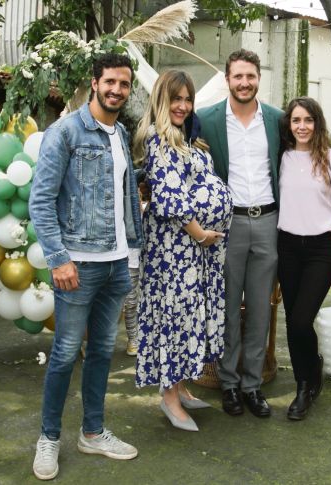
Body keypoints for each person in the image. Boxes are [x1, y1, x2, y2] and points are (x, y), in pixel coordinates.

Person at [28, 53, 142, 480]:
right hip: (78, 264)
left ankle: (92, 432)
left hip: (115, 264)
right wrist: (58, 259)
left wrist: (131, 251)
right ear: (94, 83)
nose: (116, 90)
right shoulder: (65, 132)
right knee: (63, 355)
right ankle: (49, 439)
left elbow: (124, 199)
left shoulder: (120, 132)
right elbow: (40, 202)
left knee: (100, 352)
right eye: (110, 81)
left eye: (124, 84)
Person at [133, 70, 232, 432]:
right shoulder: (159, 142)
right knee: (173, 318)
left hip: (196, 250)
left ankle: (180, 386)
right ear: (162, 99)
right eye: (176, 98)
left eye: (188, 99)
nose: (183, 105)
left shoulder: (190, 139)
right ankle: (169, 397)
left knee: (190, 316)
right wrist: (199, 232)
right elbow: (170, 197)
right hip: (175, 250)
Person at [197, 49, 283, 418]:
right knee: (228, 307)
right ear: (227, 80)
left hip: (267, 221)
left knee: (261, 308)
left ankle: (253, 385)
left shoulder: (278, 120)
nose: (244, 82)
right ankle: (229, 384)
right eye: (238, 77)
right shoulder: (207, 119)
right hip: (226, 225)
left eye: (250, 76)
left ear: (258, 78)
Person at [276, 97, 331, 420]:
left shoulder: (330, 159)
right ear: (289, 125)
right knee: (294, 322)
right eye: (296, 120)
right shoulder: (281, 157)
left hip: (321, 248)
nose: (302, 126)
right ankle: (306, 378)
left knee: (300, 320)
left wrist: (330, 216)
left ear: (317, 123)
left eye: (308, 120)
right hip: (288, 246)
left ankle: (305, 386)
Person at [121, 172, 149, 357]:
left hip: (145, 251)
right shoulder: (124, 201)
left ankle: (144, 337)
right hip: (130, 252)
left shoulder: (146, 206)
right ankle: (133, 338)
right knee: (131, 300)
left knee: (145, 297)